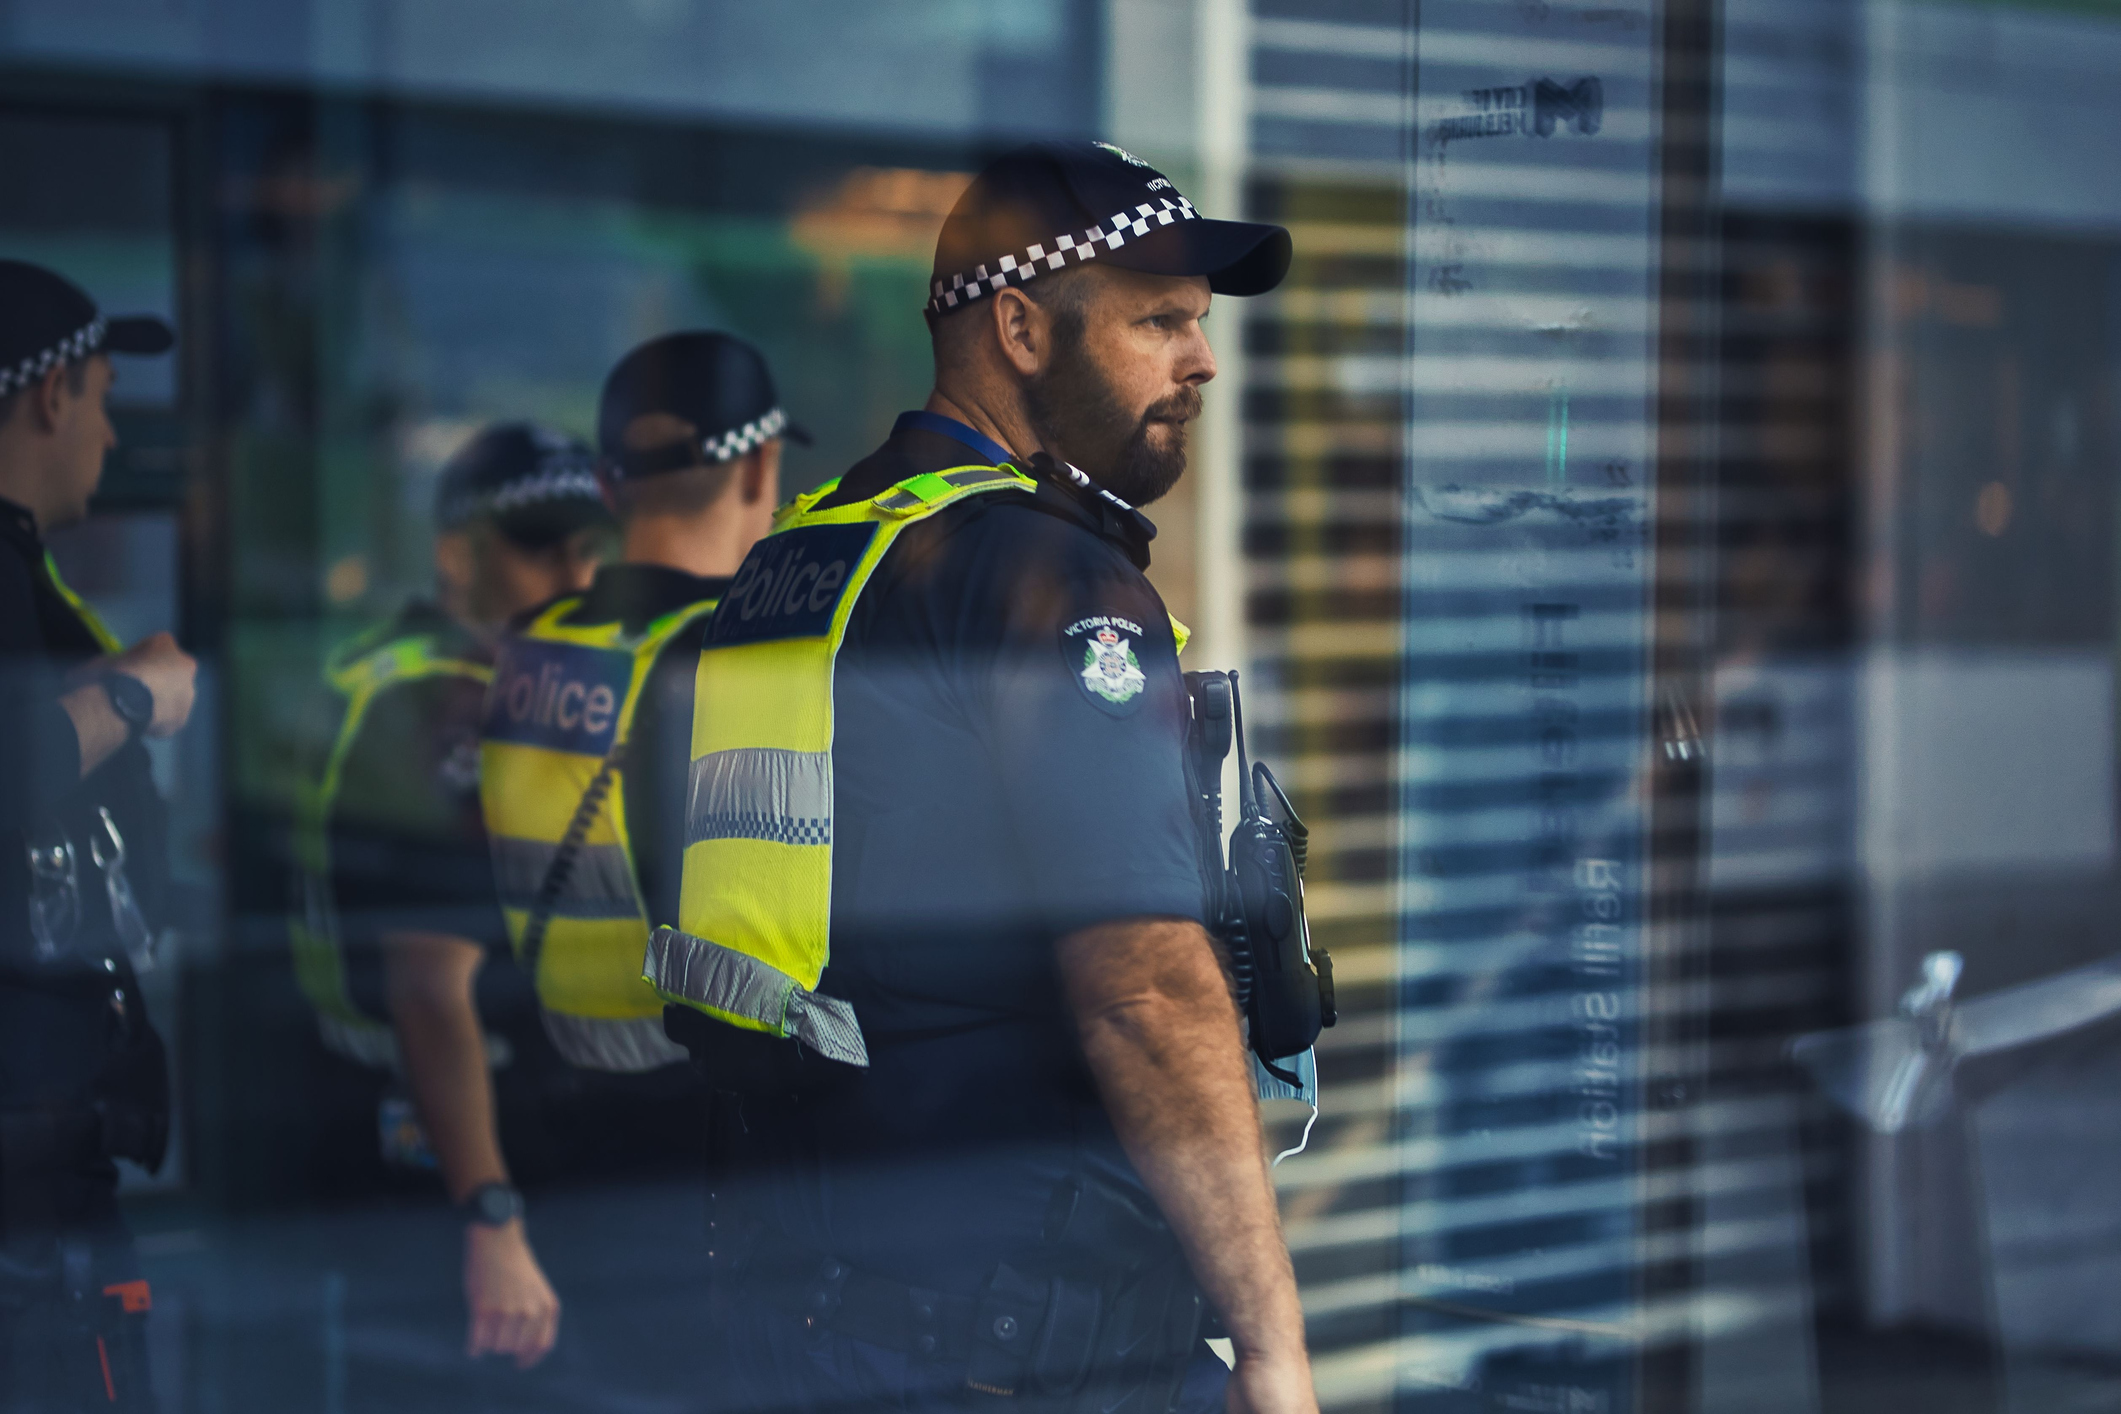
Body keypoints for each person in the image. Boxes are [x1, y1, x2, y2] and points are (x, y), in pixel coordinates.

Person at [647, 141, 1314, 1414]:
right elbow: (1147, 993)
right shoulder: (1039, 576)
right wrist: (1271, 1344)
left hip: (805, 1309)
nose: (1203, 360)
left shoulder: (804, 563)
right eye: (1160, 319)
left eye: (1203, 323)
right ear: (1017, 326)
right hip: (1011, 1349)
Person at [464, 332, 792, 1367]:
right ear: (759, 468)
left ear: (608, 483)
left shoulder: (535, 644)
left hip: (555, 1122)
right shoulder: (730, 659)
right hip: (690, 1147)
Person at [288, 422, 610, 1369]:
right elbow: (431, 987)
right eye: (540, 548)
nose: (575, 576)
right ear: (456, 556)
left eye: (588, 547)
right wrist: (492, 1213)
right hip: (447, 1159)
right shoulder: (439, 700)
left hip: (410, 1138)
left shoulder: (393, 667)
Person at [0, 259, 189, 1411]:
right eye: (109, 396)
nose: (113, 435)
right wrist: (134, 701)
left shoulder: (24, 566)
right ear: (52, 394)